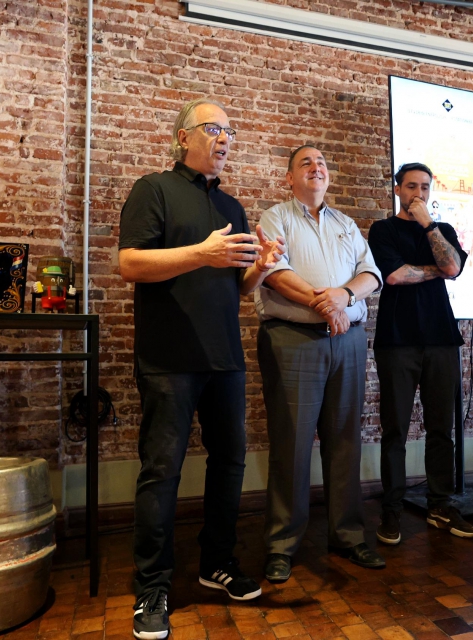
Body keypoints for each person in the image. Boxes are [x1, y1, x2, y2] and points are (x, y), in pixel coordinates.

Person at [118, 97, 285, 640]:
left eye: (229, 131)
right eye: (213, 128)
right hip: (168, 357)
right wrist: (199, 252)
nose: (224, 138)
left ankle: (217, 562)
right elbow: (129, 263)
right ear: (182, 137)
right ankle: (152, 586)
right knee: (161, 472)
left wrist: (261, 269)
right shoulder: (153, 189)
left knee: (230, 462)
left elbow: (237, 286)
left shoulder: (232, 207)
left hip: (225, 357)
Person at [255, 145, 385, 583]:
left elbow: (371, 274)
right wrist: (326, 305)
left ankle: (347, 535)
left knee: (345, 439)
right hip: (292, 340)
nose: (317, 167)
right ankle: (281, 545)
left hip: (348, 341)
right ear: (289, 178)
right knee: (291, 443)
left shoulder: (346, 224)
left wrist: (343, 297)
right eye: (306, 163)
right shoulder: (276, 218)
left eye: (322, 162)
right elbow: (275, 273)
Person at [368, 163, 473, 546]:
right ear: (397, 188)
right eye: (411, 186)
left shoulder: (441, 230)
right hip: (397, 341)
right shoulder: (383, 230)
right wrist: (436, 270)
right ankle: (392, 511)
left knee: (441, 428)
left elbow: (454, 267)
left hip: (441, 339)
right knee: (395, 429)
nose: (418, 193)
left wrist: (428, 225)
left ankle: (440, 505)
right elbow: (395, 275)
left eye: (425, 187)